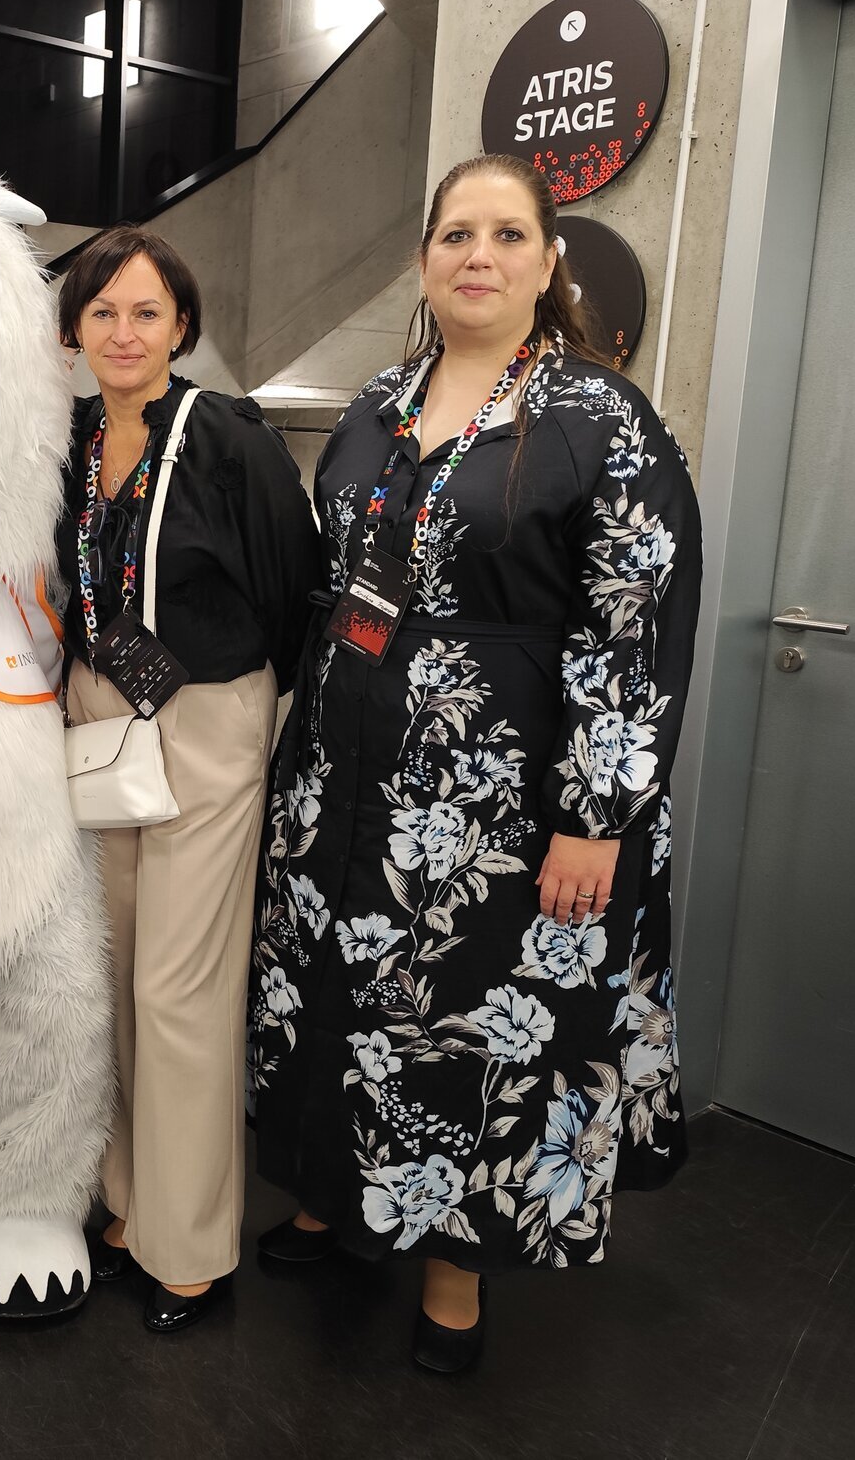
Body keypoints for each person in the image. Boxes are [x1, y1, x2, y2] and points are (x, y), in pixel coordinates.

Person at [249, 154, 703, 1371]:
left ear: (547, 262)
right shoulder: (375, 404)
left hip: (497, 803)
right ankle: (332, 1197)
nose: (477, 257)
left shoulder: (599, 419)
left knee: (465, 1026)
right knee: (338, 1001)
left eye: (506, 235)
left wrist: (593, 817)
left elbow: (632, 625)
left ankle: (454, 1271)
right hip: (342, 776)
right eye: (455, 234)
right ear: (423, 262)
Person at [57, 224, 322, 1332]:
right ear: (73, 329)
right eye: (102, 312)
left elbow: (295, 590)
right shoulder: (66, 442)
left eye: (146, 313)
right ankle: (128, 1203)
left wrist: (241, 712)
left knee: (179, 986)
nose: (123, 333)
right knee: (113, 974)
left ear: (181, 328)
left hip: (207, 718)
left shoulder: (227, 440)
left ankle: (192, 1244)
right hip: (96, 718)